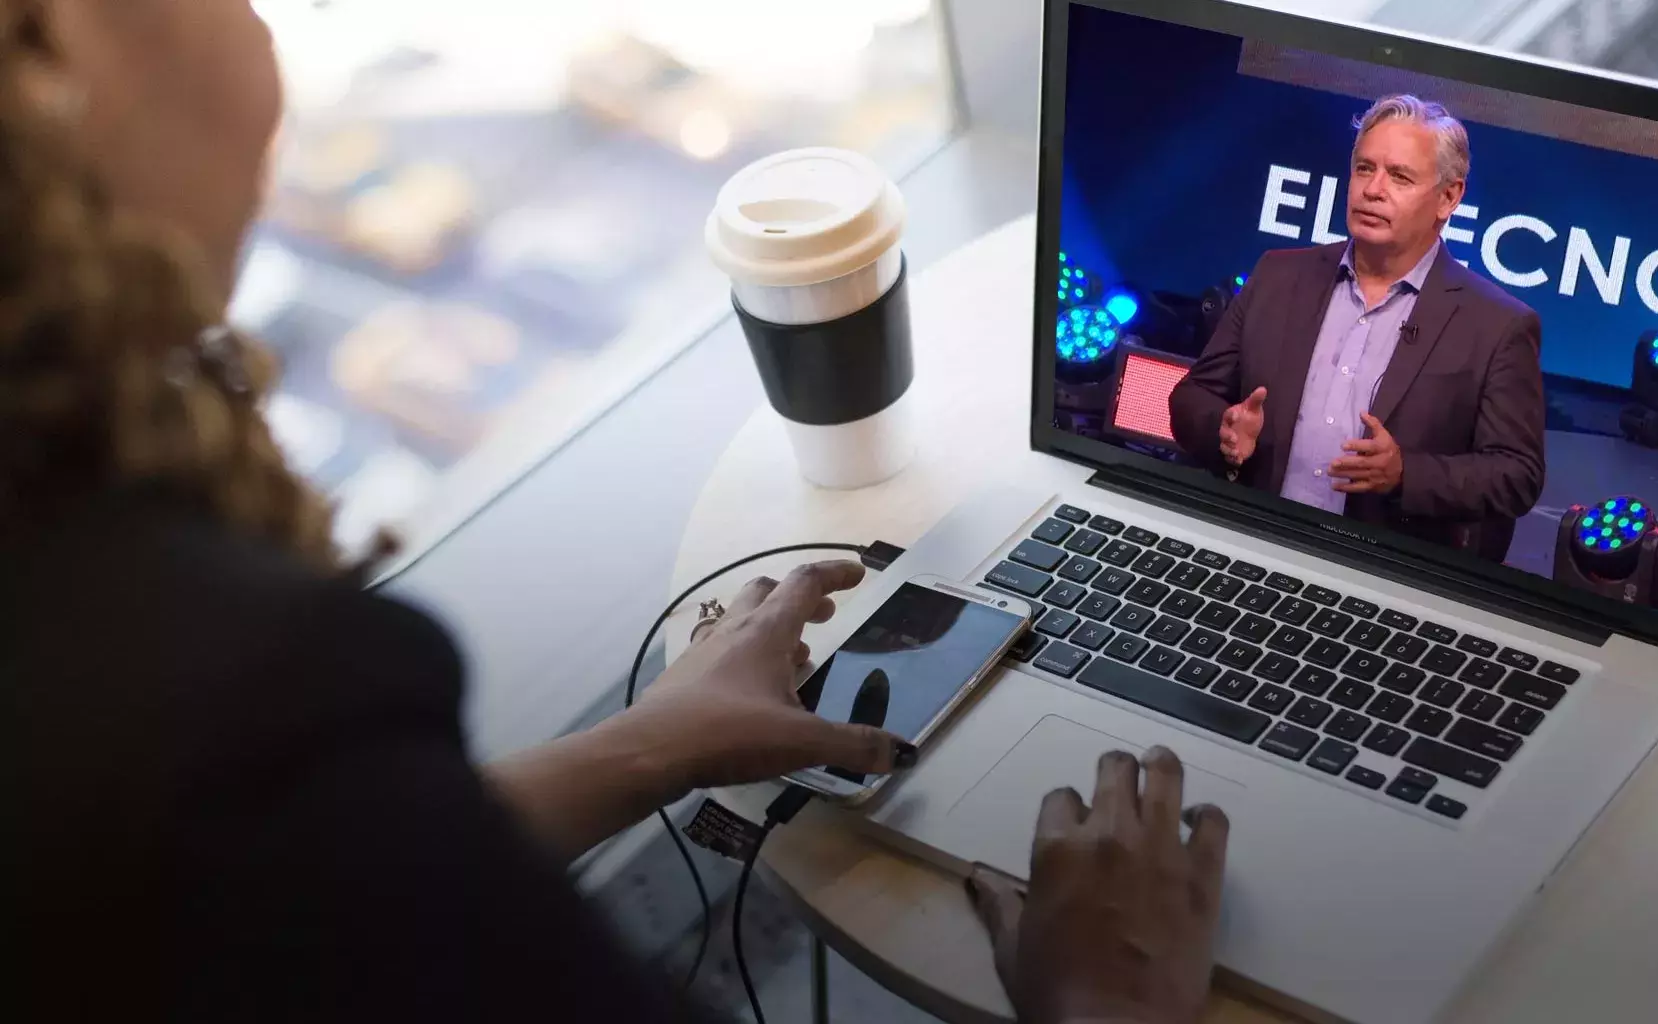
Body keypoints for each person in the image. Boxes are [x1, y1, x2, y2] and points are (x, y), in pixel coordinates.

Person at [3, 3, 1229, 1022]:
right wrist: (1099, 1009)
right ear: (51, 56)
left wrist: (644, 745)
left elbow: (321, 897)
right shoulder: (240, 696)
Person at [1169, 94, 1547, 561]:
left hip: (1382, 576)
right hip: (1251, 547)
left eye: (1400, 176)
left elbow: (1517, 475)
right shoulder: (1278, 275)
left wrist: (1406, 473)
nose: (1373, 189)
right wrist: (1222, 432)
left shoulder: (1498, 324)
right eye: (1365, 169)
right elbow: (1191, 397)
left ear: (1448, 197)